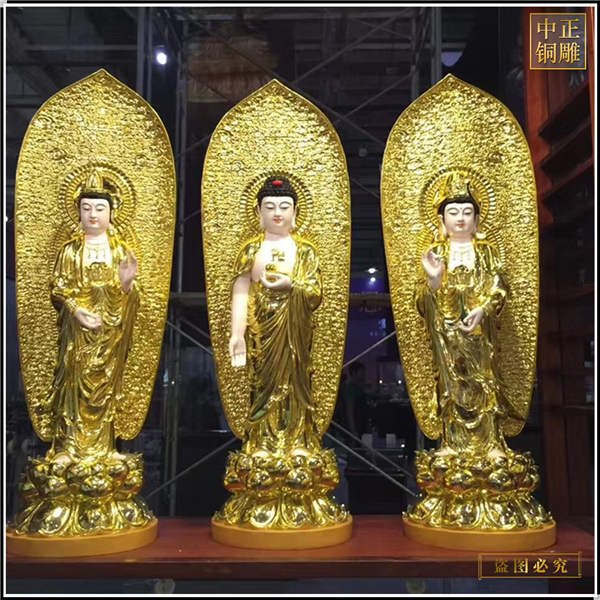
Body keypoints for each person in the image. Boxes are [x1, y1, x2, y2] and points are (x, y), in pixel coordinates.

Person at [417, 172, 524, 460]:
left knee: (485, 382)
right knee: (450, 386)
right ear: (442, 220)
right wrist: (434, 280)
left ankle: (491, 443)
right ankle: (452, 442)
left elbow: (500, 286)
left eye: (467, 212)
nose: (461, 218)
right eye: (453, 212)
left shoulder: (485, 252)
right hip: (448, 334)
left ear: (477, 219)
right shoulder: (437, 252)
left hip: (480, 333)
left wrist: (483, 309)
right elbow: (421, 299)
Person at [45, 168, 139, 465]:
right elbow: (58, 288)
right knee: (72, 388)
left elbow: (131, 296)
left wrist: (126, 285)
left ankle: (105, 448)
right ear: (78, 212)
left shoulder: (120, 251)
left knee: (106, 388)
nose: (93, 214)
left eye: (100, 208)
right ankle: (68, 447)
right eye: (86, 208)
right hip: (77, 335)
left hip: (109, 335)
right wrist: (75, 309)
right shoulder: (70, 251)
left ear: (112, 213)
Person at [229, 175, 322, 457]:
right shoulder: (252, 250)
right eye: (269, 207)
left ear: (295, 211)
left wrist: (291, 285)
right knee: (262, 382)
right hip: (261, 329)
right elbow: (240, 291)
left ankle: (298, 440)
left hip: (295, 328)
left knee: (296, 382)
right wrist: (237, 333)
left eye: (284, 206)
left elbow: (316, 293)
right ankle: (262, 442)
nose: (277, 213)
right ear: (258, 211)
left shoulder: (304, 251)